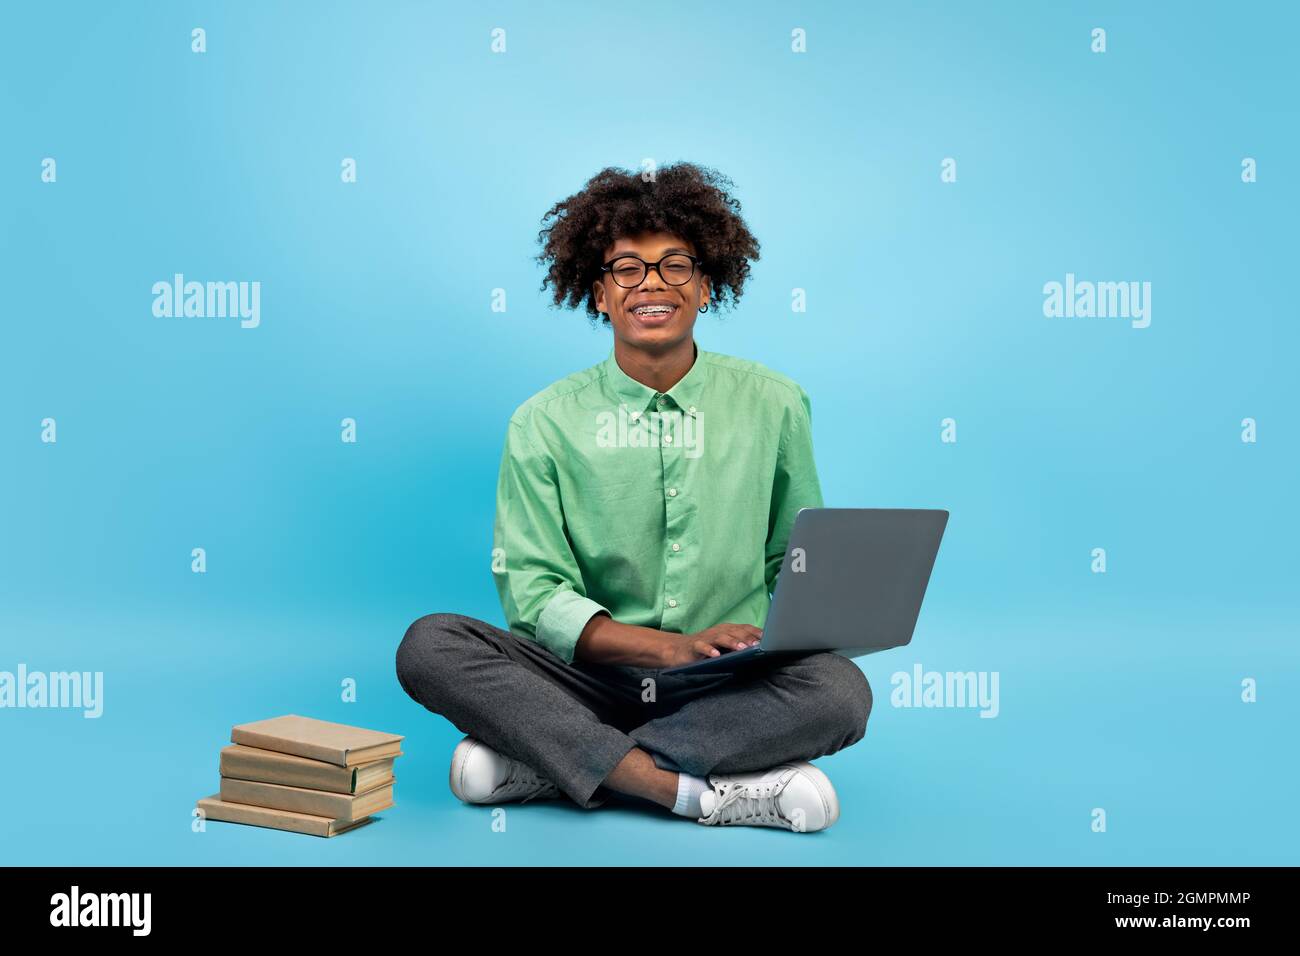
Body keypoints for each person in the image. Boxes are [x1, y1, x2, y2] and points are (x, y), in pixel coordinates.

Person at [395, 162, 872, 832]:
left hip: (726, 682)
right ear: (598, 294)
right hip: (589, 680)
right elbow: (534, 595)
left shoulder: (776, 403)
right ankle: (682, 787)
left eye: (676, 265)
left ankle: (556, 762)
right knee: (430, 644)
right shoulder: (544, 422)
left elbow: (789, 558)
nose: (652, 283)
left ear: (706, 287)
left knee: (841, 693)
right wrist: (665, 648)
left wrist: (811, 622)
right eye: (628, 269)